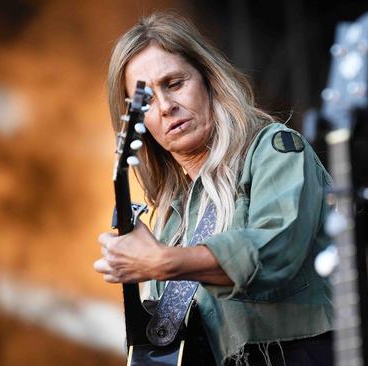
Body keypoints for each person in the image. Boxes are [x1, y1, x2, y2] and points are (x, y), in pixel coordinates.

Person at [94, 11, 334, 366]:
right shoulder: (173, 217)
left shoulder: (273, 149)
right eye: (146, 101)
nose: (165, 107)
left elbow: (274, 251)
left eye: (174, 83)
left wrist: (164, 262)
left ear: (208, 79)